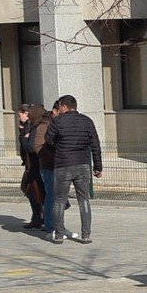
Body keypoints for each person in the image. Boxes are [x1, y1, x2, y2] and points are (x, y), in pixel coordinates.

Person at [46, 94, 102, 243]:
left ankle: (58, 234)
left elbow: (48, 139)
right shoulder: (87, 121)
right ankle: (86, 234)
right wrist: (98, 167)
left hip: (63, 164)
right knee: (83, 200)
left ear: (64, 106)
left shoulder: (58, 121)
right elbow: (95, 145)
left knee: (59, 200)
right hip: (82, 164)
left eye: (60, 107)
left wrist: (57, 146)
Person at [16, 104, 44, 229]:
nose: (19, 117)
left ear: (26, 114)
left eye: (20, 114)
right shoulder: (26, 126)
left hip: (34, 164)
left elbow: (29, 146)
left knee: (33, 190)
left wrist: (23, 137)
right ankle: (37, 216)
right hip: (29, 163)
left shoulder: (32, 126)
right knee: (30, 190)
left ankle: (39, 217)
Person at [33, 101, 59, 234]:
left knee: (57, 197)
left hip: (58, 166)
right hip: (49, 166)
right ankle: (50, 225)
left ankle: (57, 224)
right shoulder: (44, 126)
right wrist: (53, 157)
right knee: (51, 196)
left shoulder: (56, 124)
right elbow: (38, 147)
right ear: (55, 111)